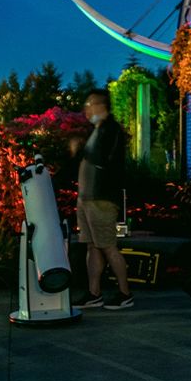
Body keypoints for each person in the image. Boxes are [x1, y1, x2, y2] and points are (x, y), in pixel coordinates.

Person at [70, 89, 133, 310]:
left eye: (90, 104)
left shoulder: (111, 130)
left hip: (102, 199)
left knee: (107, 246)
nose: (87, 109)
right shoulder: (96, 130)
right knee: (92, 247)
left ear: (101, 105)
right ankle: (93, 293)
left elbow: (107, 160)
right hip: (87, 198)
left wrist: (83, 151)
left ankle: (125, 293)